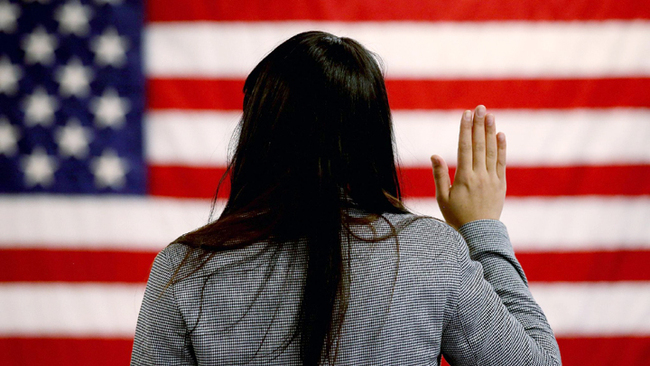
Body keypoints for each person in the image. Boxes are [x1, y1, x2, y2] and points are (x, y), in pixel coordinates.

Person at [131, 31, 561, 365]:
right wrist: (481, 229)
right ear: (371, 135)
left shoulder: (184, 268)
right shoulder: (430, 252)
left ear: (257, 134)